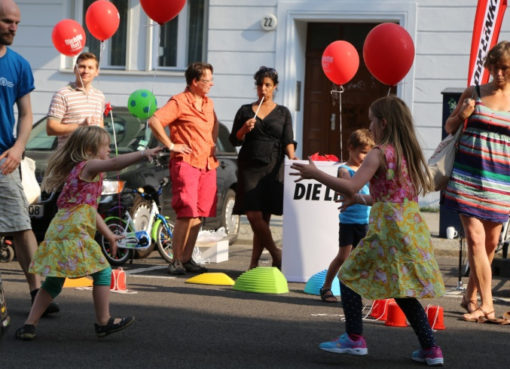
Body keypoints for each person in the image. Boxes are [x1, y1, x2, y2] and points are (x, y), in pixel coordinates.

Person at [291, 96, 445, 366]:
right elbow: (387, 197)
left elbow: (351, 186)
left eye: (372, 120)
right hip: (409, 229)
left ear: (383, 123)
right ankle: (431, 350)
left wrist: (315, 174)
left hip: (387, 228)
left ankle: (354, 338)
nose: (369, 126)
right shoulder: (406, 154)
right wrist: (359, 199)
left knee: (348, 276)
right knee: (402, 289)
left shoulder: (378, 152)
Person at [15, 126, 162, 340]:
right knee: (103, 272)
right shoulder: (89, 166)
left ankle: (29, 325)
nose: (110, 150)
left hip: (60, 228)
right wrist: (142, 153)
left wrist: (109, 235)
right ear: (92, 149)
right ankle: (103, 321)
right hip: (75, 229)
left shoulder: (79, 170)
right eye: (107, 146)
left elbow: (90, 211)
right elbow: (114, 164)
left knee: (54, 280)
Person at [443, 40, 510, 323]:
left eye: (504, 68)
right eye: (493, 68)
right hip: (468, 175)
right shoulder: (473, 93)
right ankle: (487, 305)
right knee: (474, 239)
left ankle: (469, 296)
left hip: (501, 179)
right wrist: (463, 114)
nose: (497, 74)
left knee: (491, 243)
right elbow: (449, 127)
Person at [0, 0, 58, 315]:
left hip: (4, 159)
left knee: (21, 225)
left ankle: (38, 293)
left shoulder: (19, 64)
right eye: (8, 22)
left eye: (17, 23)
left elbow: (26, 114)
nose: (14, 28)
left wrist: (20, 146)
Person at [148, 62, 218, 275]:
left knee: (199, 214)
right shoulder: (179, 102)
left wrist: (213, 145)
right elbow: (154, 121)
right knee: (186, 211)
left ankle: (187, 259)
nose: (211, 84)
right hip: (186, 162)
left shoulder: (208, 103)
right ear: (194, 82)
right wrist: (170, 145)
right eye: (207, 80)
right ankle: (175, 259)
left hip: (207, 163)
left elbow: (214, 125)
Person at [229, 66, 297, 270]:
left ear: (275, 87)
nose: (263, 89)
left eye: (267, 85)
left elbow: (288, 140)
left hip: (272, 167)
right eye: (260, 85)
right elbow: (234, 139)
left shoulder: (283, 112)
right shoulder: (245, 111)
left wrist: (293, 159)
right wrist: (243, 129)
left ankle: (253, 264)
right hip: (249, 165)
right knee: (253, 214)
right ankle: (277, 254)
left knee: (264, 217)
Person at [320, 129, 374, 303]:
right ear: (351, 148)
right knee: (343, 256)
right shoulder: (345, 169)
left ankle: (356, 289)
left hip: (365, 221)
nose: (365, 157)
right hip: (349, 222)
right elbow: (348, 185)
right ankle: (326, 287)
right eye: (363, 152)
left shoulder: (368, 170)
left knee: (362, 257)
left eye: (369, 153)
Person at [46, 51, 105, 147]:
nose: (85, 71)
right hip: (70, 157)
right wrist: (81, 126)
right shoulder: (62, 94)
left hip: (93, 156)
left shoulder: (99, 96)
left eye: (90, 68)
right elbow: (51, 128)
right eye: (82, 66)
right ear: (75, 69)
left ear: (97, 72)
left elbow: (100, 126)